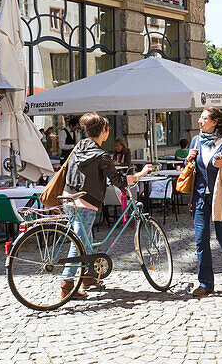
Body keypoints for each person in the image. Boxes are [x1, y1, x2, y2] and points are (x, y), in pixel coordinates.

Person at [61, 112, 153, 299]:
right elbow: (118, 181)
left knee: (84, 239)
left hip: (68, 197)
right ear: (104, 131)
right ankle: (67, 284)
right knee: (78, 241)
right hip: (85, 202)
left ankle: (87, 276)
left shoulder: (79, 146)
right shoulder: (102, 156)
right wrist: (140, 175)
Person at [185, 106, 222, 296]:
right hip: (200, 196)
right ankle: (205, 284)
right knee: (201, 239)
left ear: (215, 122)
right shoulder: (196, 140)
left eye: (204, 119)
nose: (200, 122)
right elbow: (193, 166)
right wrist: (189, 160)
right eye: (200, 118)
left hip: (220, 196)